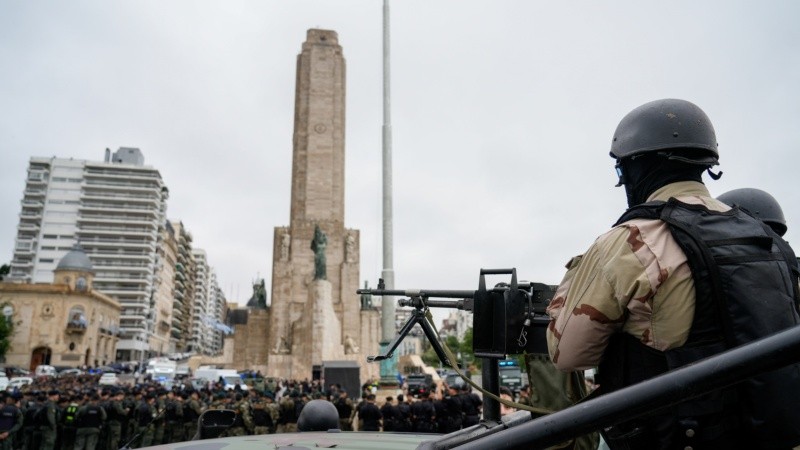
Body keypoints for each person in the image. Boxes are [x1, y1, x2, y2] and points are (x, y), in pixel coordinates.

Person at [546, 98, 800, 449]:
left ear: (636, 168)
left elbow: (568, 355)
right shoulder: (767, 239)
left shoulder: (630, 241)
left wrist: (577, 277)